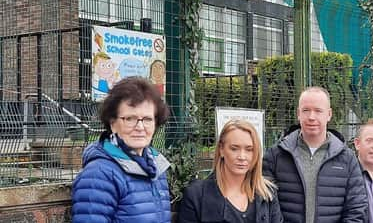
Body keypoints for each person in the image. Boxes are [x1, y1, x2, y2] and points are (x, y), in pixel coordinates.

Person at [72, 76, 171, 223]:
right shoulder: (99, 174)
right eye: (130, 119)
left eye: (148, 119)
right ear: (112, 123)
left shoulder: (156, 168)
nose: (140, 127)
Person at [263, 86, 367, 223]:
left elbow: (356, 208)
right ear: (298, 113)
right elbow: (265, 205)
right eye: (306, 110)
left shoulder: (347, 158)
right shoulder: (275, 155)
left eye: (318, 111)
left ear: (329, 114)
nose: (311, 117)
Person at [179, 119, 283, 223]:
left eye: (249, 149)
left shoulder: (268, 193)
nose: (242, 156)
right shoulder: (196, 195)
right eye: (234, 148)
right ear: (221, 149)